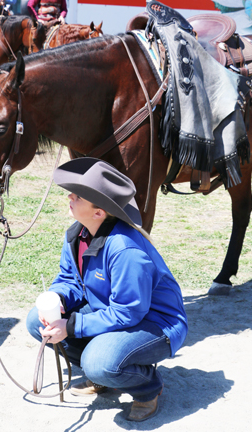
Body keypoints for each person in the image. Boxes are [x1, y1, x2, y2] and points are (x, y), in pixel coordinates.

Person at [26, 158, 188, 422]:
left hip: (156, 324)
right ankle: (105, 373)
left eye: (77, 196)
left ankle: (146, 388)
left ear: (98, 212)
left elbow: (128, 313)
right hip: (111, 310)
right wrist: (58, 298)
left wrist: (71, 326)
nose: (69, 197)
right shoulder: (77, 234)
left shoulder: (125, 250)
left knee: (98, 361)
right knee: (37, 320)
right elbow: (70, 279)